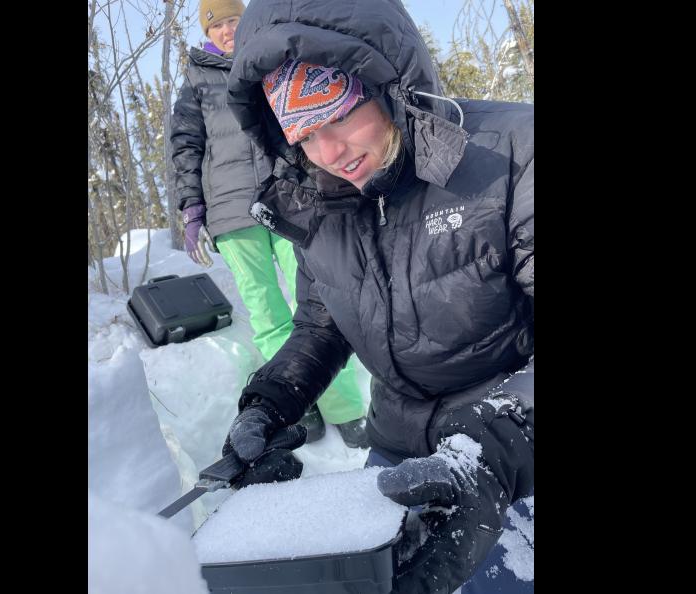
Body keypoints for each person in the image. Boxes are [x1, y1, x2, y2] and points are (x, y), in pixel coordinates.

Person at [220, 0, 534, 592]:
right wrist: (272, 402)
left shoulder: (514, 155)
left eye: (337, 116)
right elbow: (322, 322)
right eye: (305, 135)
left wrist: (492, 451)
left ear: (389, 85)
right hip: (398, 451)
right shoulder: (320, 197)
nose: (330, 154)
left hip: (515, 452)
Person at [170, 0, 369, 448]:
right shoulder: (196, 80)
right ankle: (300, 400)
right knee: (266, 311)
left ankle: (344, 405)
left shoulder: (269, 59)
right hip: (228, 209)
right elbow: (185, 146)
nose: (225, 31)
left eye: (232, 20)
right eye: (215, 25)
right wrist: (191, 208)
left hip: (287, 197)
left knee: (319, 302)